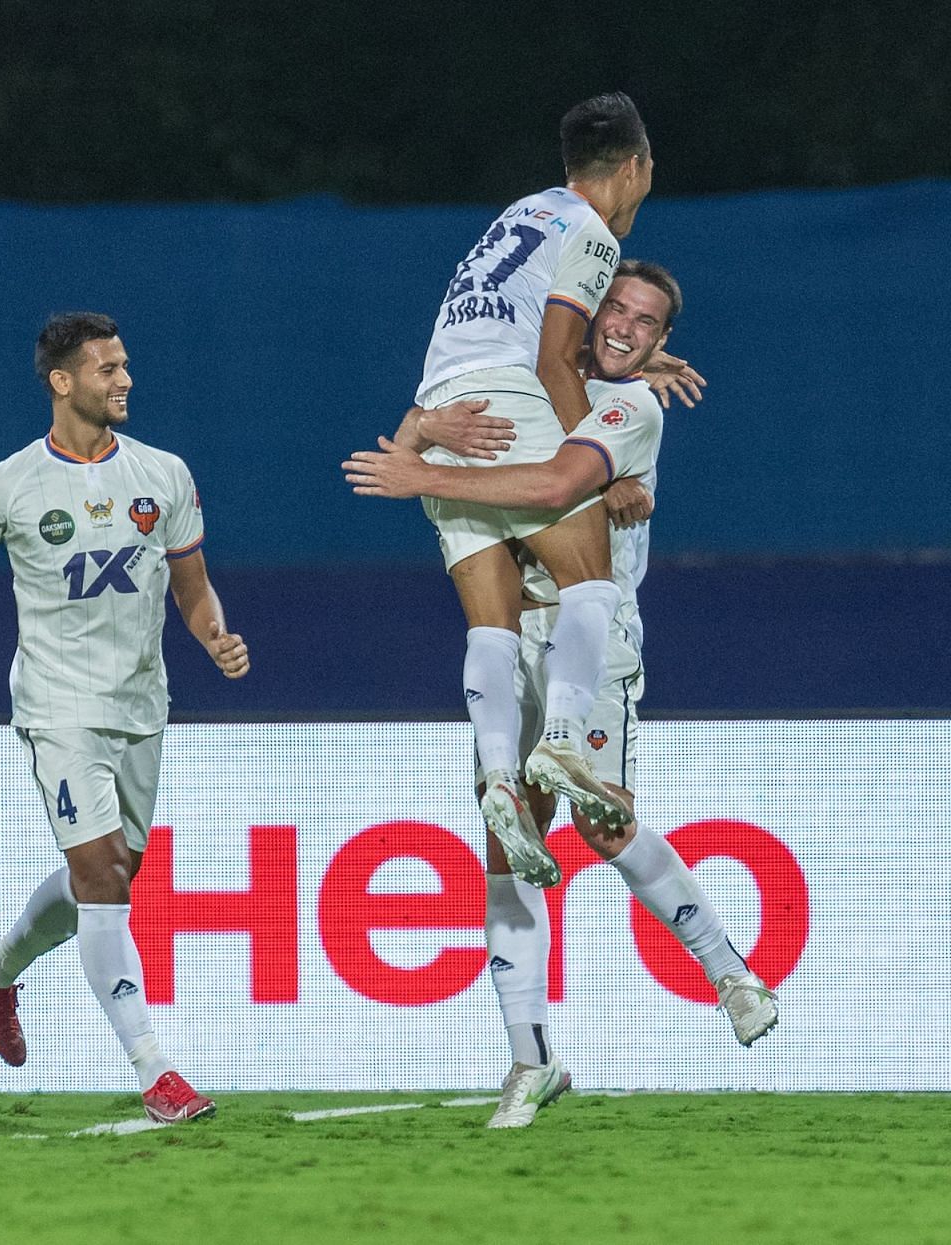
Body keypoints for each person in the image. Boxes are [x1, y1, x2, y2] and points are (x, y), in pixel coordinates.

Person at [346, 263, 780, 1129]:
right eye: (615, 307)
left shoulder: (631, 409)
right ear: (586, 315)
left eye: (645, 322)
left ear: (661, 341)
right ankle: (529, 1060)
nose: (625, 325)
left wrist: (429, 471)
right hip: (518, 640)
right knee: (507, 842)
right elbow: (418, 446)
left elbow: (547, 486)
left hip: (593, 646)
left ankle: (731, 973)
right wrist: (425, 429)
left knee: (605, 823)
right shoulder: (546, 388)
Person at [0, 313, 248, 1124]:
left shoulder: (164, 473)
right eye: (107, 369)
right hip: (58, 707)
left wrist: (214, 636)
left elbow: (192, 583)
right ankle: (155, 1069)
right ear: (63, 382)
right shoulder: (8, 483)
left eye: (125, 365)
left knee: (112, 873)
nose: (124, 379)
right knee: (102, 877)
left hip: (141, 703)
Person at [408, 92, 658, 892]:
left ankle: (502, 781)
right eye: (648, 175)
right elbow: (554, 360)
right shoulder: (589, 232)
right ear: (632, 167)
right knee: (590, 582)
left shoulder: (522, 212)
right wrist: (605, 463)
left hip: (441, 403)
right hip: (510, 397)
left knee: (493, 618)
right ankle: (559, 737)